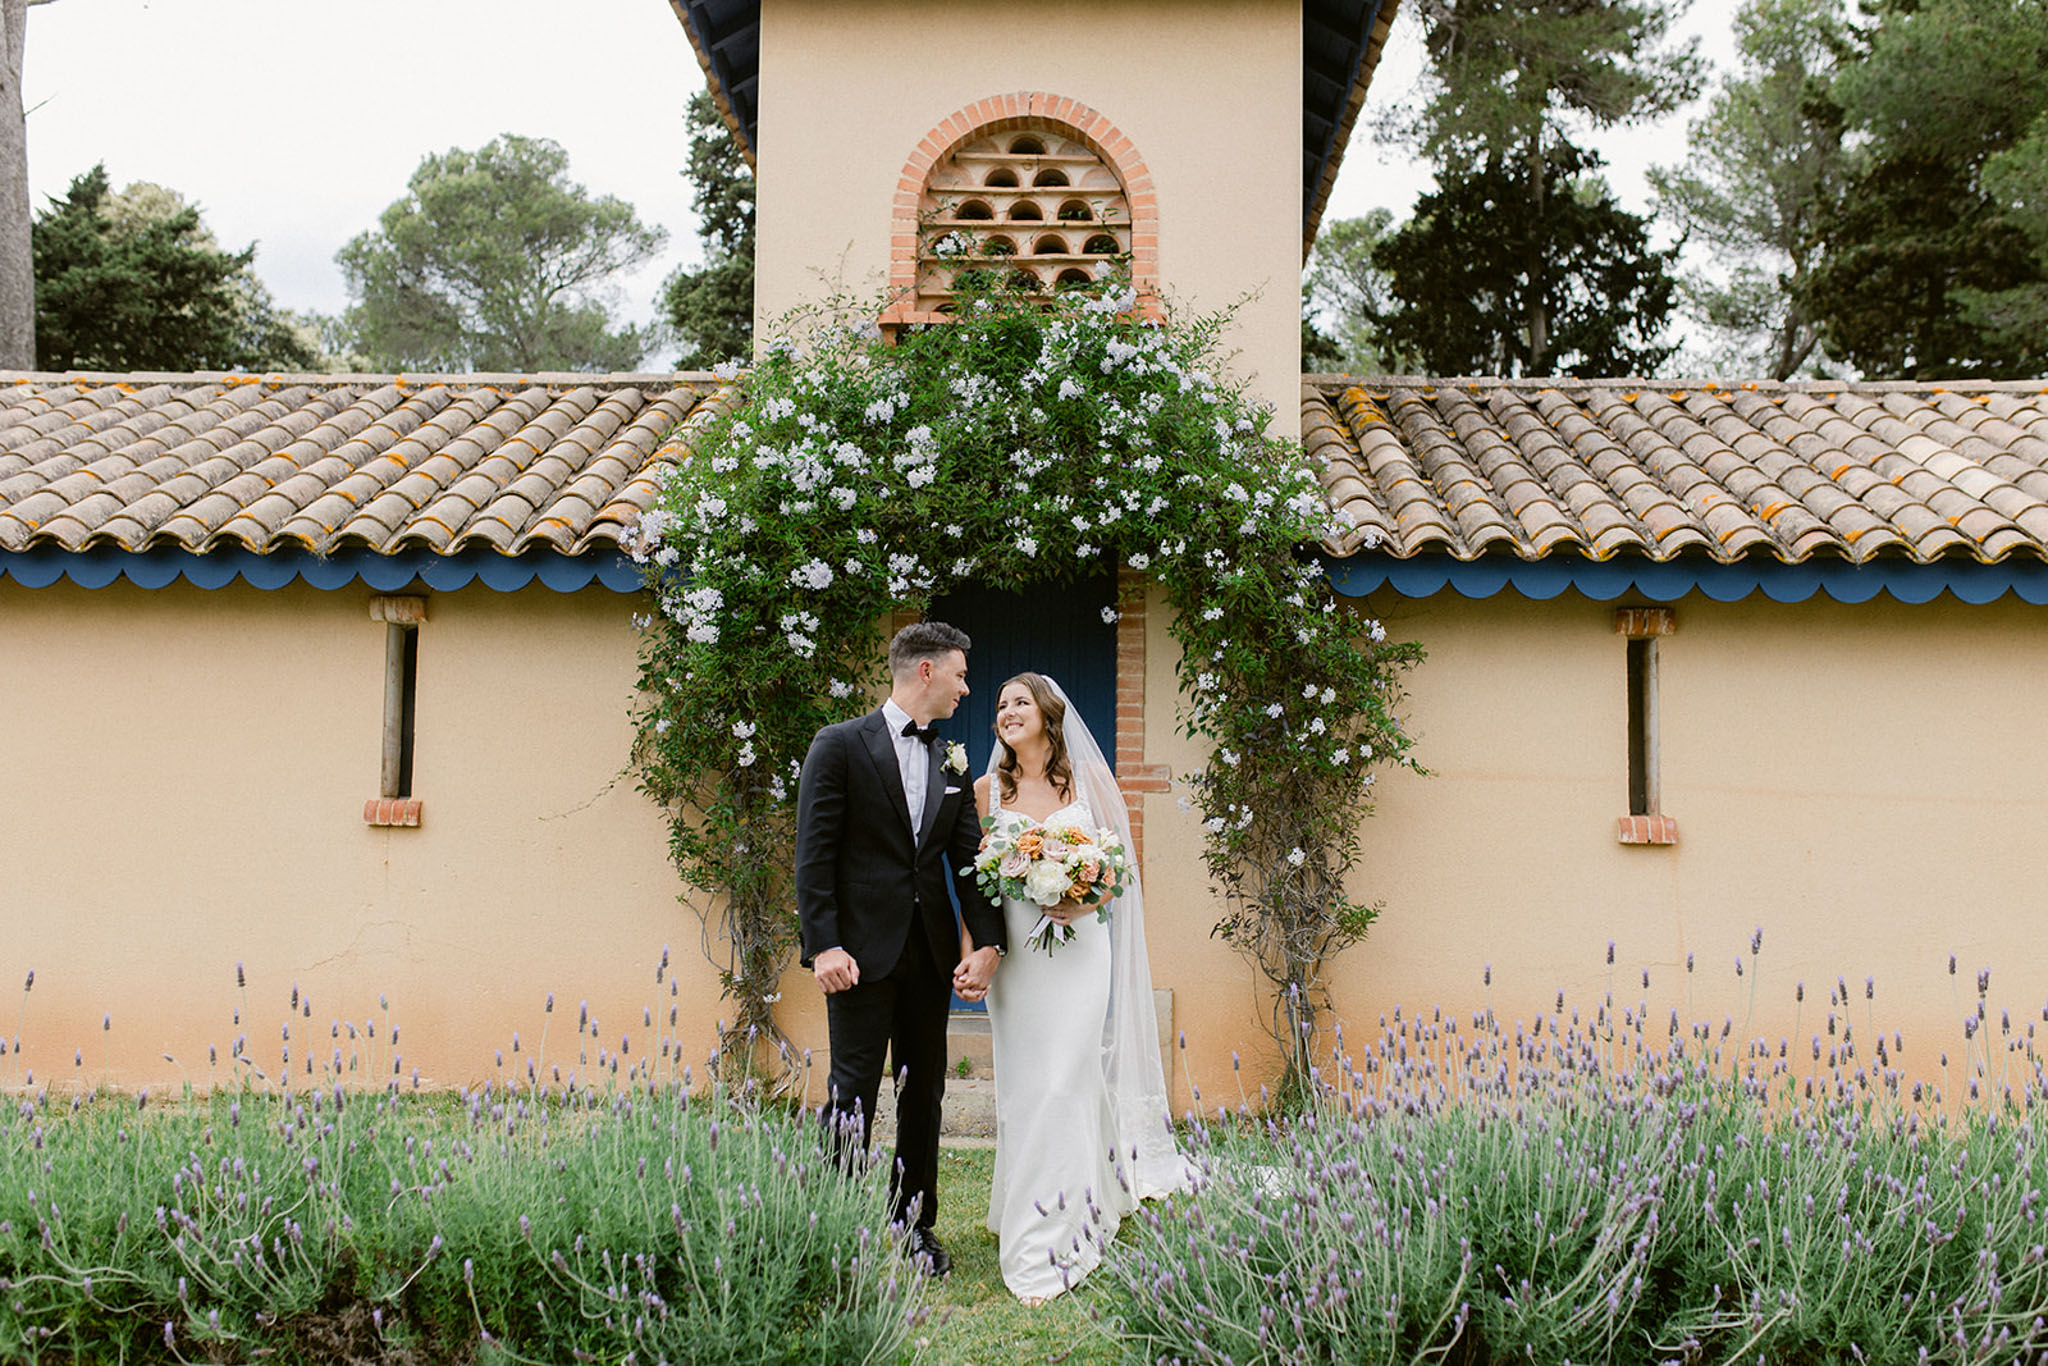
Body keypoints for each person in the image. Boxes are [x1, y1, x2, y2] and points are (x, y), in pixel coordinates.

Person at [794, 621, 1006, 1279]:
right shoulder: (838, 746)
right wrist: (823, 944)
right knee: (852, 1092)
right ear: (925, 672)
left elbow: (970, 860)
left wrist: (990, 941)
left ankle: (915, 1228)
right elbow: (814, 853)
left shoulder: (954, 758)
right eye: (960, 674)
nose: (967, 688)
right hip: (856, 956)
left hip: (929, 954)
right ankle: (830, 1229)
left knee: (926, 1095)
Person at [970, 671, 1189, 1303]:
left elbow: (1118, 871)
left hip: (1080, 951)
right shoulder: (986, 791)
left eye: (1019, 702)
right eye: (1000, 703)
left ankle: (1058, 1229)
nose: (1007, 712)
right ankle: (1055, 1195)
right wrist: (977, 955)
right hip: (1019, 963)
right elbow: (973, 887)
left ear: (1047, 713)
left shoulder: (1088, 783)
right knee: (1026, 1084)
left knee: (1067, 1075)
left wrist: (1081, 892)